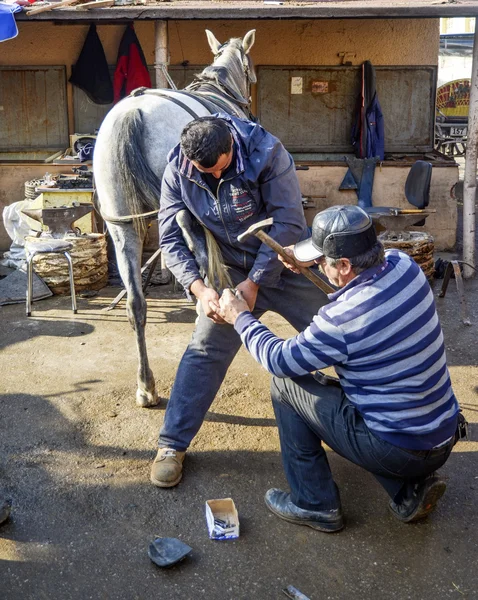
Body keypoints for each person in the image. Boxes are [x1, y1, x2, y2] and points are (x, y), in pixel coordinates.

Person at [217, 205, 460, 532]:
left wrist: (240, 317)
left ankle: (313, 503)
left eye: (321, 261)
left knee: (285, 385)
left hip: (401, 449)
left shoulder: (340, 321)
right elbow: (360, 290)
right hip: (443, 433)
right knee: (371, 394)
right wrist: (304, 260)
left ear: (344, 265)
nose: (317, 265)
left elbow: (278, 357)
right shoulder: (406, 267)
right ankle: (407, 492)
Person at [152, 115, 329, 487]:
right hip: (230, 269)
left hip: (286, 261)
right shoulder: (177, 170)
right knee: (204, 350)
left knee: (341, 332)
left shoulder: (267, 152)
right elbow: (169, 239)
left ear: (231, 147)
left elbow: (290, 223)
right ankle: (172, 445)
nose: (215, 178)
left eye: (221, 170)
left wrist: (256, 283)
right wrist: (200, 290)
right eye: (206, 172)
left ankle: (390, 421)